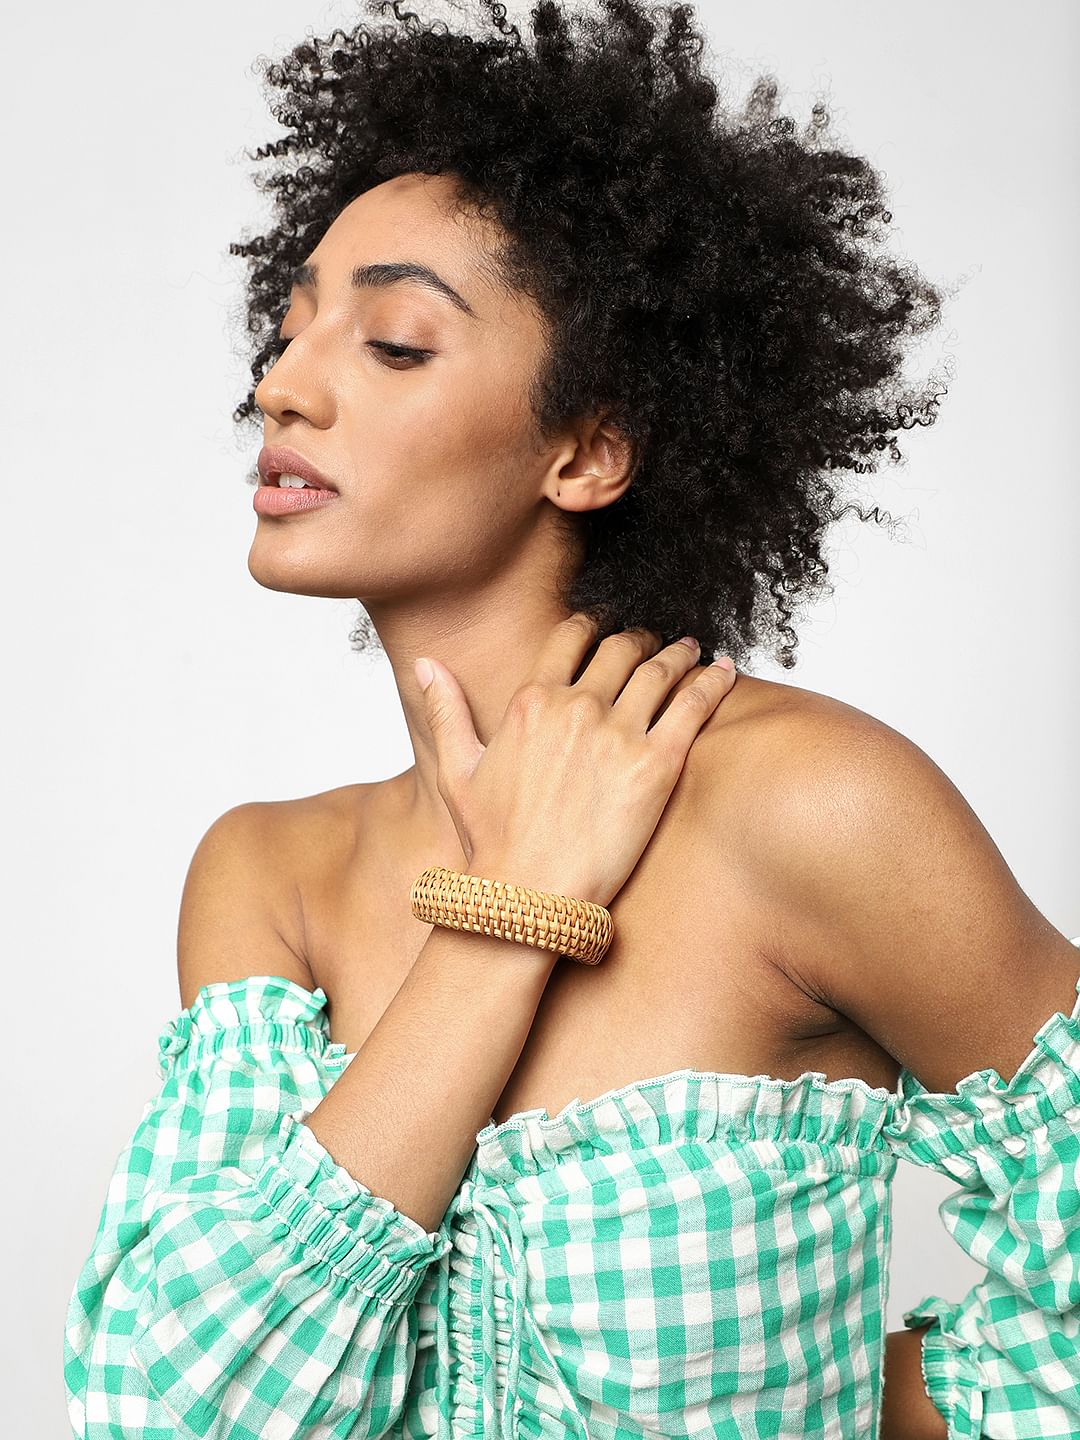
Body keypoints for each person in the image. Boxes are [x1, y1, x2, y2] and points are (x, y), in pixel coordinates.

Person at [64, 1, 1080, 1436]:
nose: (279, 385)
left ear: (588, 449)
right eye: (288, 334)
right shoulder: (265, 882)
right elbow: (170, 1413)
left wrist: (878, 1405)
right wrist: (508, 914)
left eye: (396, 343)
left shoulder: (810, 805)